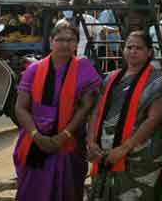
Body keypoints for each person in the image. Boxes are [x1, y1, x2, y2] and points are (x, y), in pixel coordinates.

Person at [13, 20, 101, 201]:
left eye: (71, 40)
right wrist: (37, 136)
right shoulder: (34, 69)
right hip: (34, 141)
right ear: (51, 41)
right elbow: (21, 108)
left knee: (66, 191)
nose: (65, 44)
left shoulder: (84, 68)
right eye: (60, 39)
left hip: (68, 141)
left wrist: (64, 135)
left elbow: (87, 107)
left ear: (77, 44)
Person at [88, 31, 162, 201]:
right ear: (123, 50)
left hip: (139, 157)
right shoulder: (110, 78)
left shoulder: (158, 83)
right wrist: (91, 142)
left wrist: (124, 148)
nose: (133, 51)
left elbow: (154, 119)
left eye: (139, 48)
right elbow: (96, 112)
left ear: (149, 52)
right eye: (129, 47)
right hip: (105, 153)